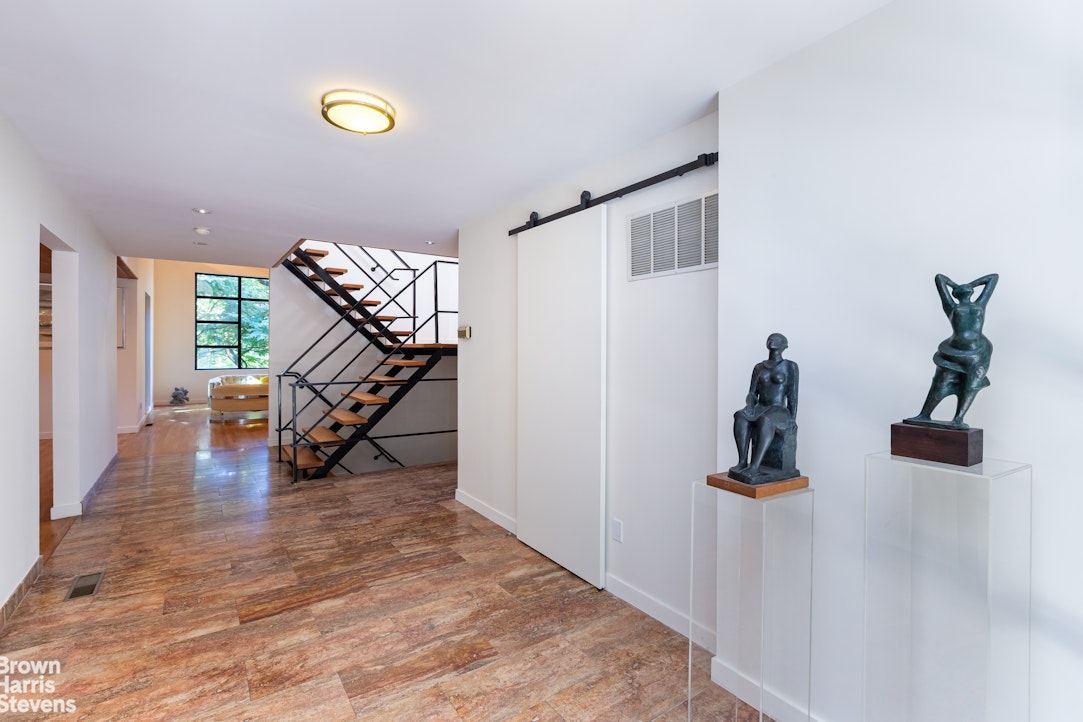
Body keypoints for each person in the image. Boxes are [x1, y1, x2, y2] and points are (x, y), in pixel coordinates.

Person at [905, 273, 998, 429]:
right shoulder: (951, 306)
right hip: (954, 350)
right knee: (941, 381)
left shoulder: (980, 304)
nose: (966, 289)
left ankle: (958, 418)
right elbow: (939, 279)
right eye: (960, 290)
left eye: (968, 289)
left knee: (970, 385)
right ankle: (924, 414)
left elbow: (993, 278)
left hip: (978, 351)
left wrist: (968, 285)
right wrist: (957, 287)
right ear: (955, 294)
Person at [730, 333, 799, 482]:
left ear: (784, 346)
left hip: (779, 409)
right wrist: (750, 405)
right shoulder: (759, 367)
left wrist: (793, 419)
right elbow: (752, 393)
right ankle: (742, 461)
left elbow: (793, 396)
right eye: (770, 338)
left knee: (765, 420)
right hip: (761, 407)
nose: (771, 340)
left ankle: (755, 466)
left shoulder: (790, 366)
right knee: (740, 416)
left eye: (776, 339)